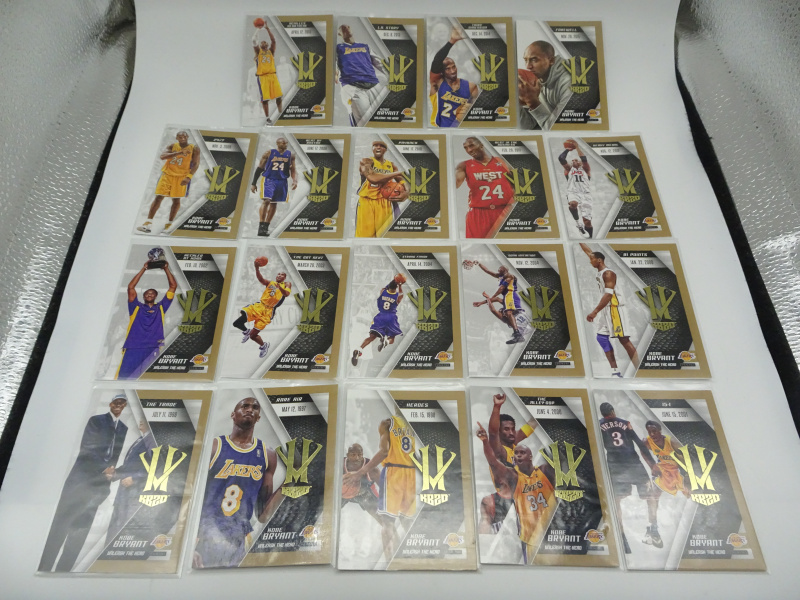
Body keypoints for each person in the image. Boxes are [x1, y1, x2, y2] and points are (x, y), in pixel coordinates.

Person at [40, 395, 129, 572]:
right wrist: (104, 468)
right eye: (116, 402)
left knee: (80, 532)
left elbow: (115, 456)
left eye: (122, 403)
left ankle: (63, 573)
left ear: (125, 406)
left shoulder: (123, 428)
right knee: (60, 527)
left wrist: (111, 473)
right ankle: (44, 568)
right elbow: (87, 448)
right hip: (79, 482)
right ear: (111, 404)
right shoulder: (96, 421)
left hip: (98, 487)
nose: (119, 406)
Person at [194, 397, 279, 568]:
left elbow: (263, 515)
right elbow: (192, 496)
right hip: (206, 532)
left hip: (239, 538)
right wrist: (190, 542)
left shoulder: (268, 454)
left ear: (258, 418)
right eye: (244, 406)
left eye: (255, 407)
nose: (250, 409)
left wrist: (289, 481)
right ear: (233, 414)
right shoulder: (213, 447)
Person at [476, 422, 555, 564]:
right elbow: (493, 462)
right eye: (516, 453)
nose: (518, 455)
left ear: (530, 456)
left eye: (522, 453)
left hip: (551, 530)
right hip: (529, 537)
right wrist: (485, 442)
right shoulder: (514, 478)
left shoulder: (545, 471)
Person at [342, 409, 415, 562]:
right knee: (406, 518)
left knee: (386, 522)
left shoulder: (387, 424)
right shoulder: (414, 423)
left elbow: (383, 452)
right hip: (409, 473)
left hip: (384, 478)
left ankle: (391, 560)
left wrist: (361, 472)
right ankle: (409, 555)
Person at [597, 402, 661, 552]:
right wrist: (652, 464)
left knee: (616, 501)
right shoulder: (625, 423)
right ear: (613, 411)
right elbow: (640, 444)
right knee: (650, 495)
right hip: (633, 463)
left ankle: (621, 537)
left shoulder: (598, 426)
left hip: (615, 466)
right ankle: (654, 528)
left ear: (602, 414)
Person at [477, 393, 536, 534]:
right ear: (500, 432)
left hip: (522, 500)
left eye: (512, 429)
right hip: (506, 503)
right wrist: (497, 406)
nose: (511, 432)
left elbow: (532, 424)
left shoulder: (513, 443)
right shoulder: (499, 450)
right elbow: (492, 433)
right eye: (506, 429)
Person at [579, 243, 639, 377]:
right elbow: (588, 251)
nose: (590, 261)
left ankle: (641, 371)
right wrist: (578, 239)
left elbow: (608, 295)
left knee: (624, 340)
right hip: (606, 309)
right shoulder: (600, 269)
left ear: (599, 260)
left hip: (615, 309)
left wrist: (595, 311)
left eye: (592, 259)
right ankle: (615, 372)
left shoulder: (608, 274)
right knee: (601, 338)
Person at [117, 258, 178, 379]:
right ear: (143, 296)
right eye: (147, 293)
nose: (149, 294)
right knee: (124, 379)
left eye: (152, 293)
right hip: (133, 347)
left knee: (146, 379)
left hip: (152, 347)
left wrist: (166, 269)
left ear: (156, 296)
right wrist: (144, 268)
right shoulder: (135, 307)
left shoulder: (161, 307)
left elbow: (173, 286)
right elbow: (131, 287)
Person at [104, 419, 157, 545]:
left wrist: (135, 479)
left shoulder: (153, 440)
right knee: (115, 528)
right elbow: (130, 466)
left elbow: (156, 466)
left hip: (136, 493)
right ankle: (107, 554)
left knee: (127, 531)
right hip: (124, 492)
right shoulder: (141, 439)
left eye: (145, 419)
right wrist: (115, 473)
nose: (141, 421)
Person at [138, 131, 200, 234]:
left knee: (176, 200)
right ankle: (148, 223)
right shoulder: (172, 146)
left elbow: (196, 163)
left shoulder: (194, 148)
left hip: (181, 177)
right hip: (167, 175)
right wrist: (179, 153)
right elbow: (162, 156)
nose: (183, 138)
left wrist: (189, 177)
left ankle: (170, 225)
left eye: (184, 136)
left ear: (188, 137)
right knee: (158, 197)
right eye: (180, 137)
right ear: (177, 138)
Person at [456, 137, 516, 238]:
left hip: (504, 210)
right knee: (477, 246)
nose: (469, 150)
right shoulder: (464, 165)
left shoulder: (503, 162)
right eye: (465, 148)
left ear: (481, 145)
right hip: (478, 214)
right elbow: (454, 183)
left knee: (508, 245)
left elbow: (521, 185)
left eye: (471, 145)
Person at [232, 260, 291, 359]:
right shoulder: (270, 283)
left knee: (253, 336)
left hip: (268, 311)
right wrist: (256, 268)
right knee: (237, 322)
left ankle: (264, 346)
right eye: (278, 274)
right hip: (259, 306)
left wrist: (279, 288)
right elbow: (261, 279)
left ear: (284, 278)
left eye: (282, 275)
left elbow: (286, 294)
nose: (279, 275)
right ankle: (246, 331)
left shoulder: (286, 284)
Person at [355, 140, 408, 238]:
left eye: (381, 146)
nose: (378, 147)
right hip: (367, 202)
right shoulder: (366, 162)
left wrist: (407, 193)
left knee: (387, 237)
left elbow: (402, 182)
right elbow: (373, 178)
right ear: (372, 149)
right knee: (364, 238)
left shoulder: (391, 165)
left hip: (386, 202)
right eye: (375, 145)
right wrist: (398, 173)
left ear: (385, 150)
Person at [336, 24, 385, 126]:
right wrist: (334, 73)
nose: (346, 29)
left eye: (348, 27)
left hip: (374, 85)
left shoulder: (365, 46)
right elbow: (331, 63)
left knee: (381, 120)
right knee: (363, 124)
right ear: (339, 34)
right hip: (353, 87)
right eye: (343, 29)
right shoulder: (338, 48)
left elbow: (380, 63)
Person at [429, 26, 478, 127]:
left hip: (459, 129)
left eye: (453, 67)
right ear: (442, 71)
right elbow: (437, 60)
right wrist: (452, 41)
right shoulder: (437, 83)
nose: (452, 71)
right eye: (448, 69)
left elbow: (471, 114)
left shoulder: (471, 87)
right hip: (438, 128)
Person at [518, 41, 572, 130]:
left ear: (551, 60)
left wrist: (532, 102)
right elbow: (528, 125)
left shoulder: (568, 83)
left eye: (534, 60)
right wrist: (515, 101)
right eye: (526, 60)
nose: (528, 66)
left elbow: (557, 129)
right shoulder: (538, 80)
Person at [470, 262, 528, 344]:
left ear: (505, 270)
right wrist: (479, 264)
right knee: (508, 312)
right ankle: (518, 335)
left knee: (509, 312)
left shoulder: (509, 276)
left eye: (500, 268)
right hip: (509, 297)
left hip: (511, 295)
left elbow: (501, 289)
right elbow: (487, 271)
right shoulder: (501, 276)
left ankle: (517, 334)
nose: (498, 269)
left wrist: (490, 297)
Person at [250, 137, 297, 237]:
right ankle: (261, 226)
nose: (285, 144)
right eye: (283, 143)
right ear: (277, 143)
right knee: (266, 200)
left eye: (286, 143)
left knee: (274, 203)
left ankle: (266, 227)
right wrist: (253, 183)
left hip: (282, 181)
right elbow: (259, 168)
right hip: (269, 179)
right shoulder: (269, 153)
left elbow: (293, 169)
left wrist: (294, 180)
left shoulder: (290, 155)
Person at [351, 277, 404, 366]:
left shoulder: (383, 292)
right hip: (391, 317)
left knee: (372, 337)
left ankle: (359, 349)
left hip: (380, 316)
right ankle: (386, 341)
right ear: (395, 289)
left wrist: (393, 281)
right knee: (392, 338)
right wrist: (400, 285)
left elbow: (384, 288)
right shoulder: (396, 297)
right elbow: (401, 294)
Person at [341, 443, 384, 526]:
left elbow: (384, 488)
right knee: (327, 512)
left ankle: (392, 533)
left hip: (364, 494)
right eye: (353, 455)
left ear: (362, 455)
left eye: (359, 455)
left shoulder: (372, 469)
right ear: (347, 455)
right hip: (342, 494)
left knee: (383, 519)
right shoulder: (339, 464)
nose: (357, 458)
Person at [645, 421, 689, 498]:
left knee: (689, 493)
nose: (652, 434)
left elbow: (687, 459)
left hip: (678, 470)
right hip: (664, 470)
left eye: (654, 431)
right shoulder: (648, 441)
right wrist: (652, 465)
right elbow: (643, 451)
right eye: (649, 432)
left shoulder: (672, 442)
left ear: (660, 431)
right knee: (652, 492)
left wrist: (687, 475)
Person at [559, 143, 593, 237]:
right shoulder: (569, 169)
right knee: (573, 204)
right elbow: (561, 158)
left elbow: (584, 159)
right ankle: (578, 223)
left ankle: (590, 238)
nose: (574, 161)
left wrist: (577, 147)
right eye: (572, 160)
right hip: (573, 192)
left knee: (587, 222)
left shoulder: (586, 169)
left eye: (576, 160)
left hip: (586, 194)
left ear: (580, 163)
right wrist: (567, 150)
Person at [253, 21, 283, 124]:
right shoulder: (258, 52)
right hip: (263, 77)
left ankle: (280, 113)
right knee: (265, 99)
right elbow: (254, 40)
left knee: (279, 97)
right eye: (262, 42)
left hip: (273, 76)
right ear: (260, 45)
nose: (264, 43)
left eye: (265, 42)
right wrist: (258, 29)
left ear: (267, 45)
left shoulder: (271, 51)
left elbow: (273, 40)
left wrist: (267, 29)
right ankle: (267, 118)